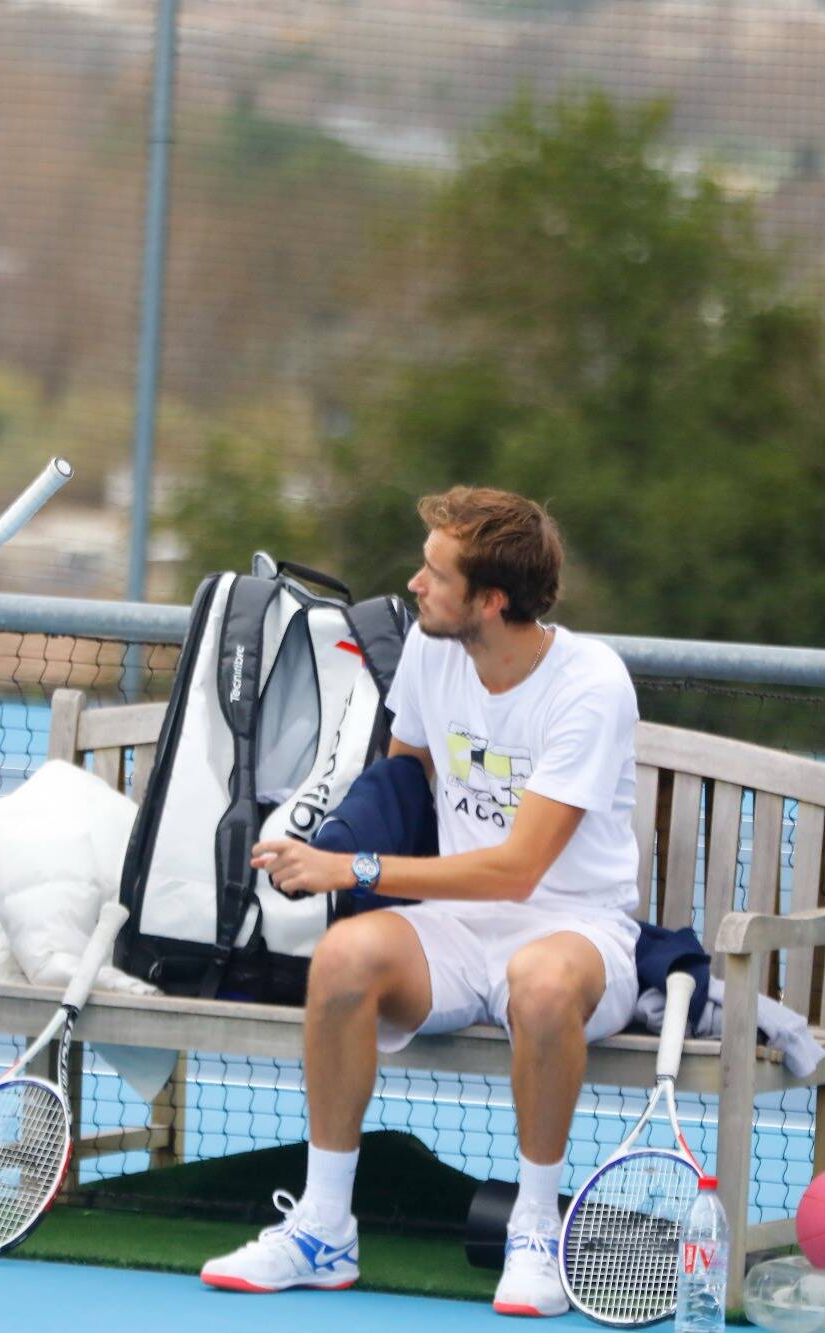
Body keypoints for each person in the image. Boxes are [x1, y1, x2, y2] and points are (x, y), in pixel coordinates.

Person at [199, 487, 641, 1318]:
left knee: (542, 983)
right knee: (343, 959)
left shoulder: (591, 684)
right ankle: (324, 1228)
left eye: (436, 572)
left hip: (576, 929)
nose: (414, 582)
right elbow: (404, 779)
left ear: (492, 600)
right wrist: (320, 834)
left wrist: (351, 868)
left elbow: (517, 871)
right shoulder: (434, 653)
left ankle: (534, 1230)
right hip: (457, 930)